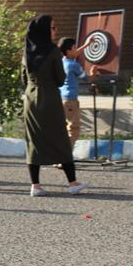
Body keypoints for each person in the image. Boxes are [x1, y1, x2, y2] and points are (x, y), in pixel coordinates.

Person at [22, 15, 87, 197]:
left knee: (33, 141)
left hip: (30, 99)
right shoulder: (53, 51)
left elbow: (23, 78)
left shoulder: (27, 51)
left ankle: (35, 186)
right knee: (61, 139)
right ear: (44, 30)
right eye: (53, 27)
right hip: (50, 98)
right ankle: (72, 183)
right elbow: (60, 79)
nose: (56, 31)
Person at [59, 36, 97, 147]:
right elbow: (88, 78)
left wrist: (87, 44)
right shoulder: (74, 65)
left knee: (63, 130)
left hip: (60, 99)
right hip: (71, 101)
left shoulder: (62, 62)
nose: (77, 50)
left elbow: (74, 54)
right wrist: (93, 73)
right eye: (74, 47)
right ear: (68, 51)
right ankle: (65, 155)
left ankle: (59, 154)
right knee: (74, 130)